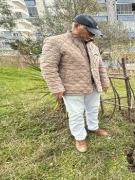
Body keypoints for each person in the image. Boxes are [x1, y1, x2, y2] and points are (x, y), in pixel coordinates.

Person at [40, 14, 109, 153]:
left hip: (93, 85)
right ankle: (79, 137)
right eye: (89, 32)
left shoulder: (93, 46)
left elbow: (100, 66)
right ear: (76, 26)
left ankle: (93, 127)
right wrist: (56, 87)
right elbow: (48, 67)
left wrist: (104, 81)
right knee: (76, 113)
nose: (92, 35)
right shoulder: (55, 42)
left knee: (93, 108)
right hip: (71, 87)